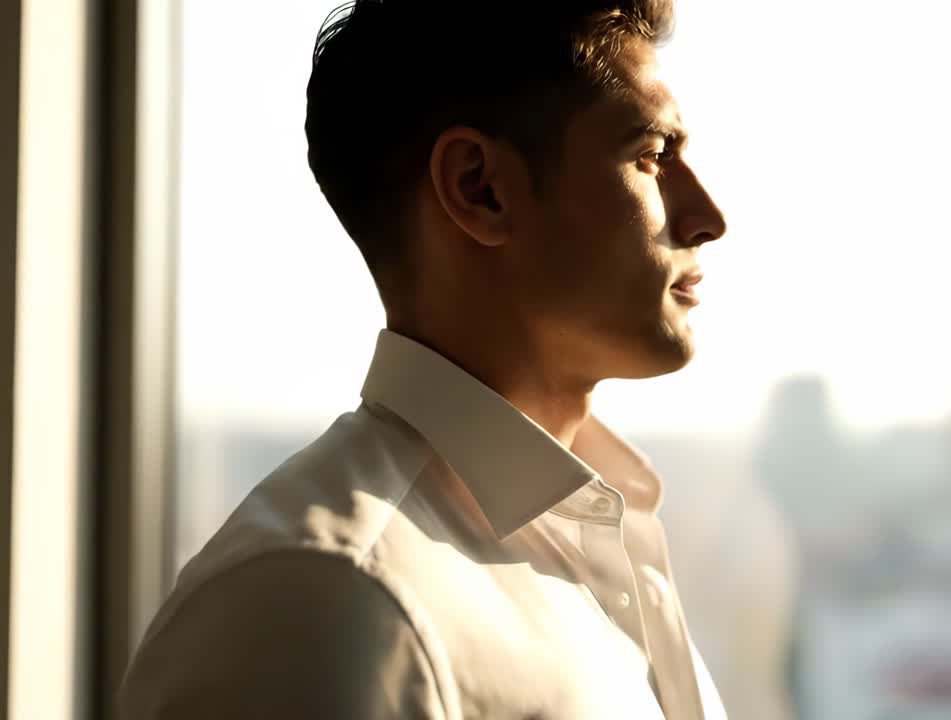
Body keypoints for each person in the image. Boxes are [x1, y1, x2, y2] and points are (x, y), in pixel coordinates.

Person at [118, 0, 728, 717]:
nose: (708, 216)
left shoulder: (606, 541)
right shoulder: (324, 600)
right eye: (652, 156)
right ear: (481, 187)